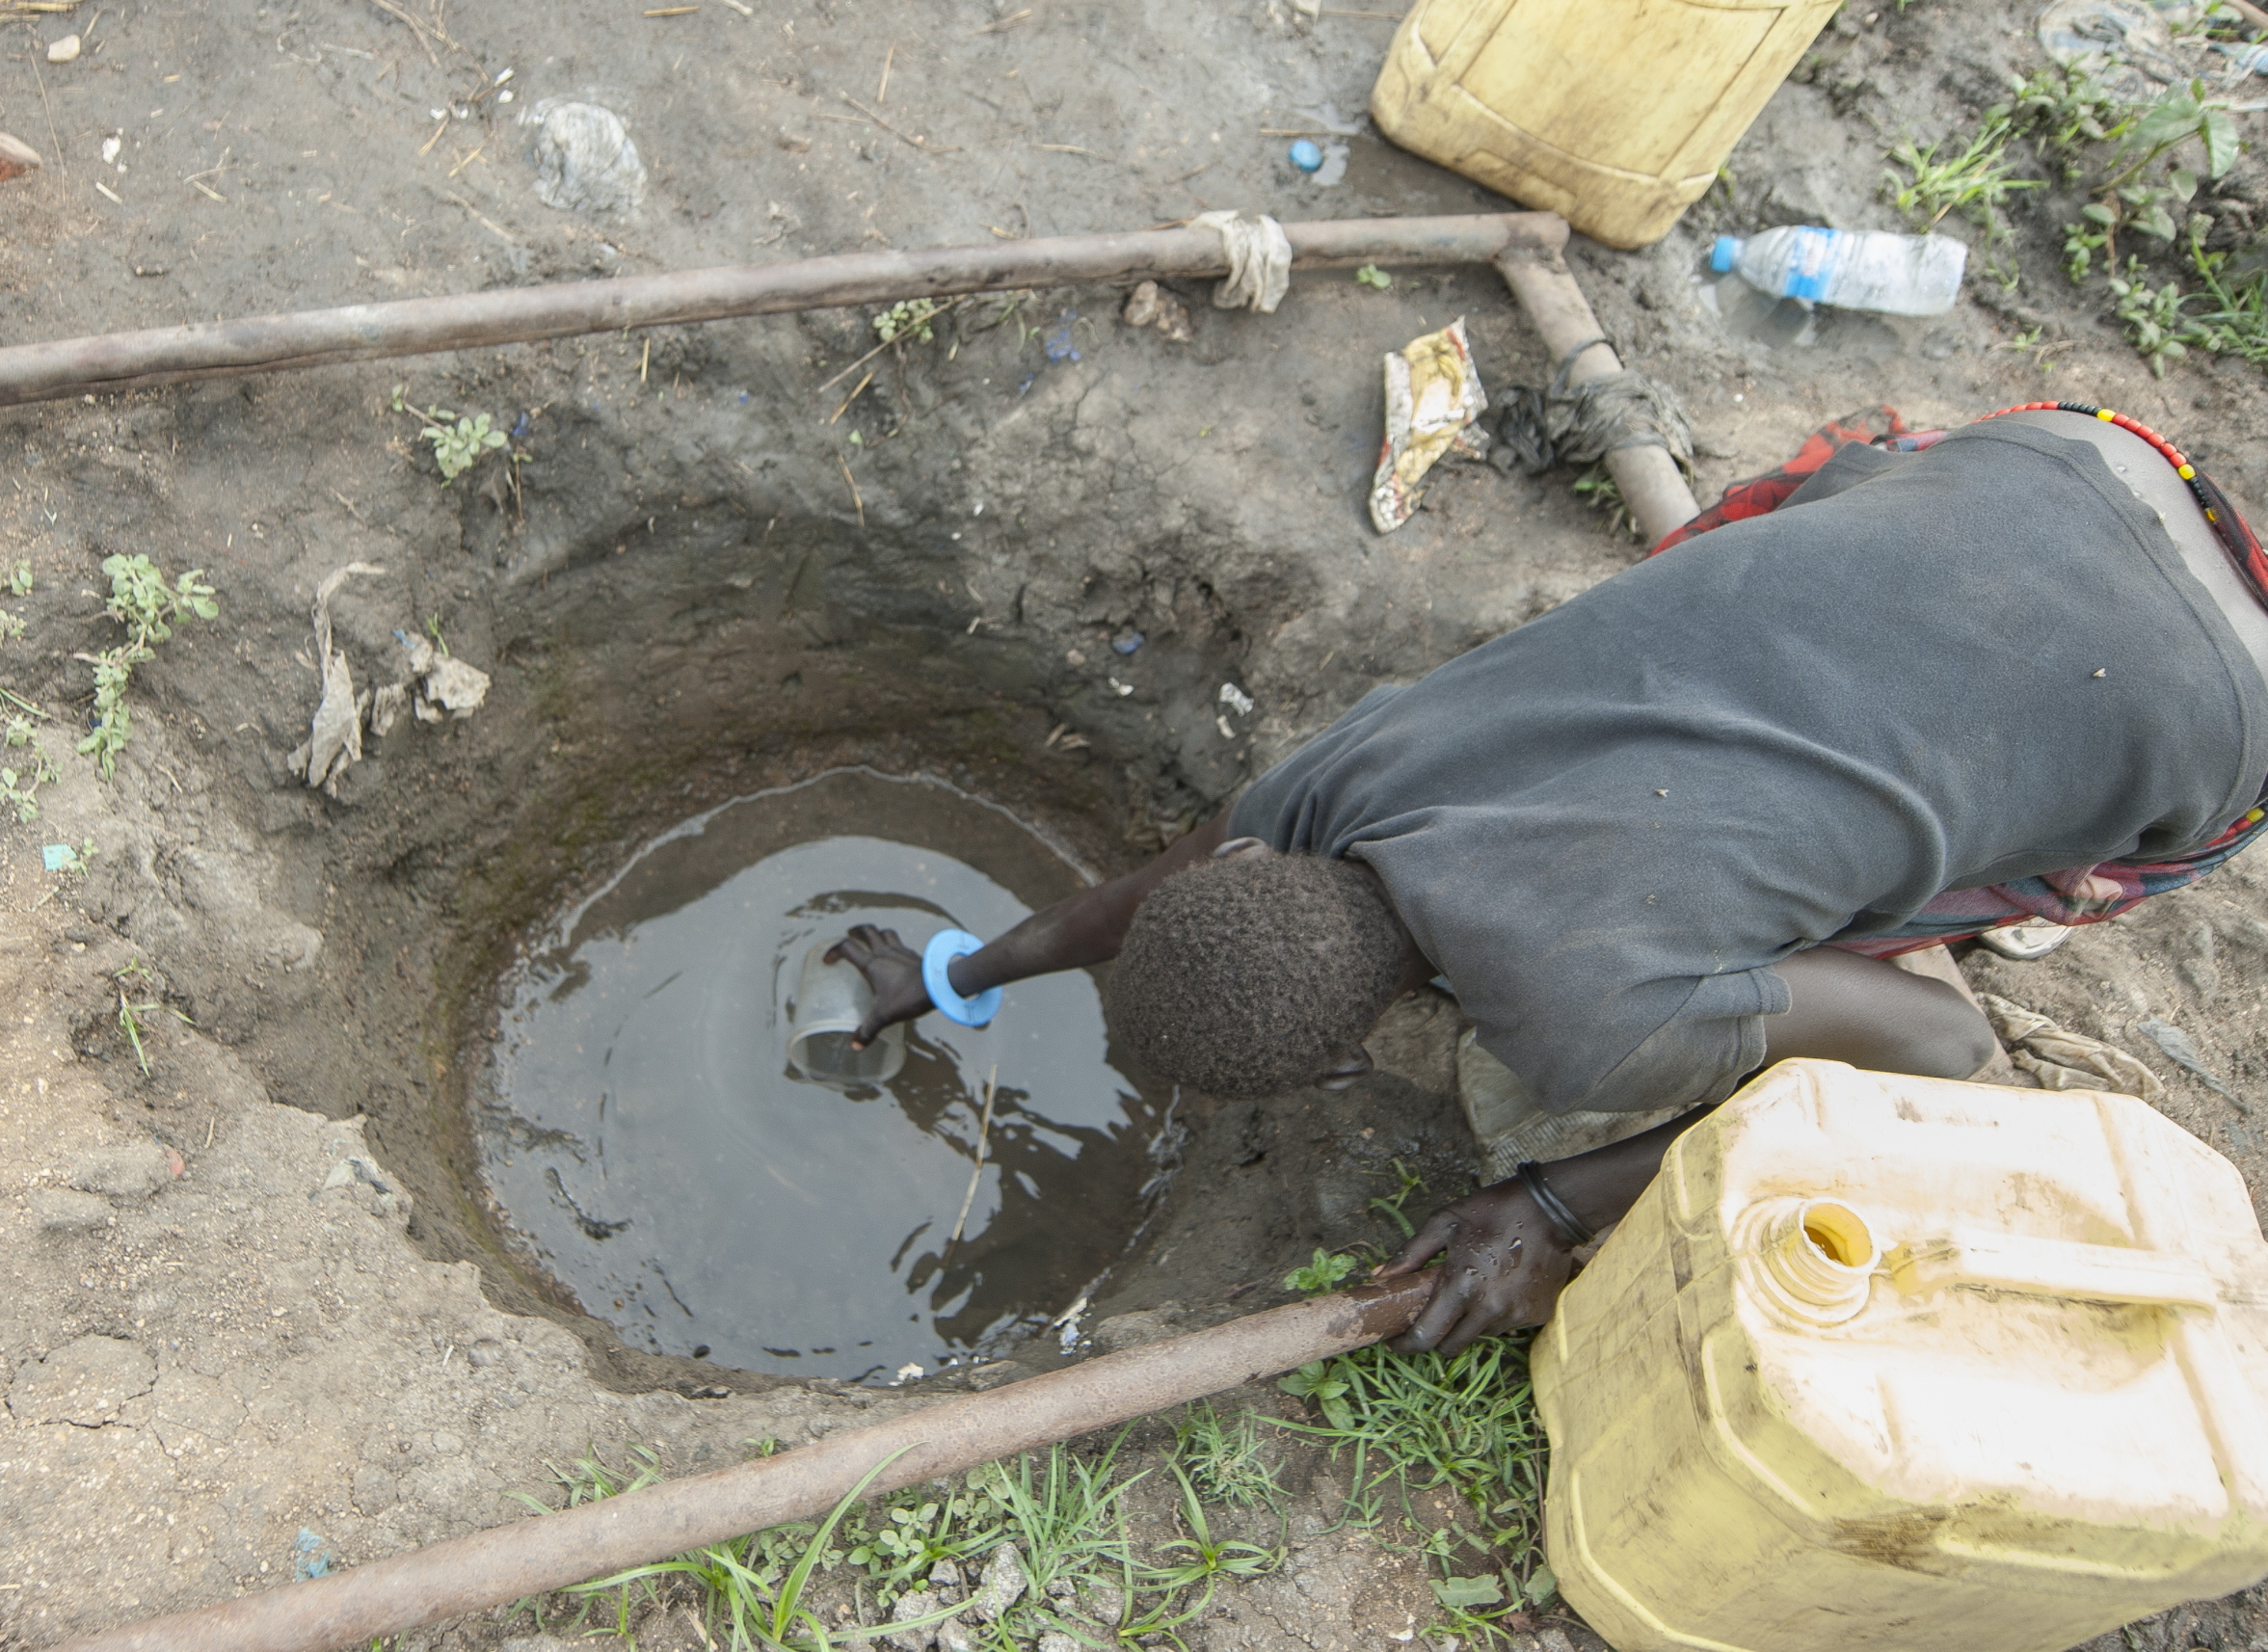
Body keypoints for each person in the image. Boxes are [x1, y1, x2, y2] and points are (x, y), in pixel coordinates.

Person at [832, 404, 2268, 1359]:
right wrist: (955, 974)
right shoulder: (1329, 783)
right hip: (2069, 460)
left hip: (2227, 709)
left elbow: (1949, 1044)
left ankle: (2015, 842)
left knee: (1909, 929)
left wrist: (1555, 1205)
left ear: (1348, 1060)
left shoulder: (1595, 1024)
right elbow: (1142, 897)